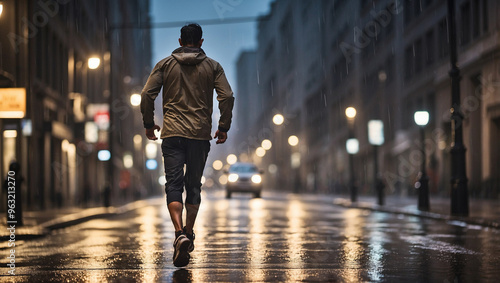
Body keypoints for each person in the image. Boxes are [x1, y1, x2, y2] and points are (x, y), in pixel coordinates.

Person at [140, 23, 234, 267]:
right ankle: (189, 233)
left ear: (180, 40)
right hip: (199, 135)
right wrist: (223, 127)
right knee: (193, 184)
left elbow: (146, 95)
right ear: (201, 41)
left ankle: (179, 232)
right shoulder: (213, 66)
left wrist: (149, 124)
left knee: (173, 183)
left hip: (172, 134)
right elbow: (227, 96)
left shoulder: (165, 64)